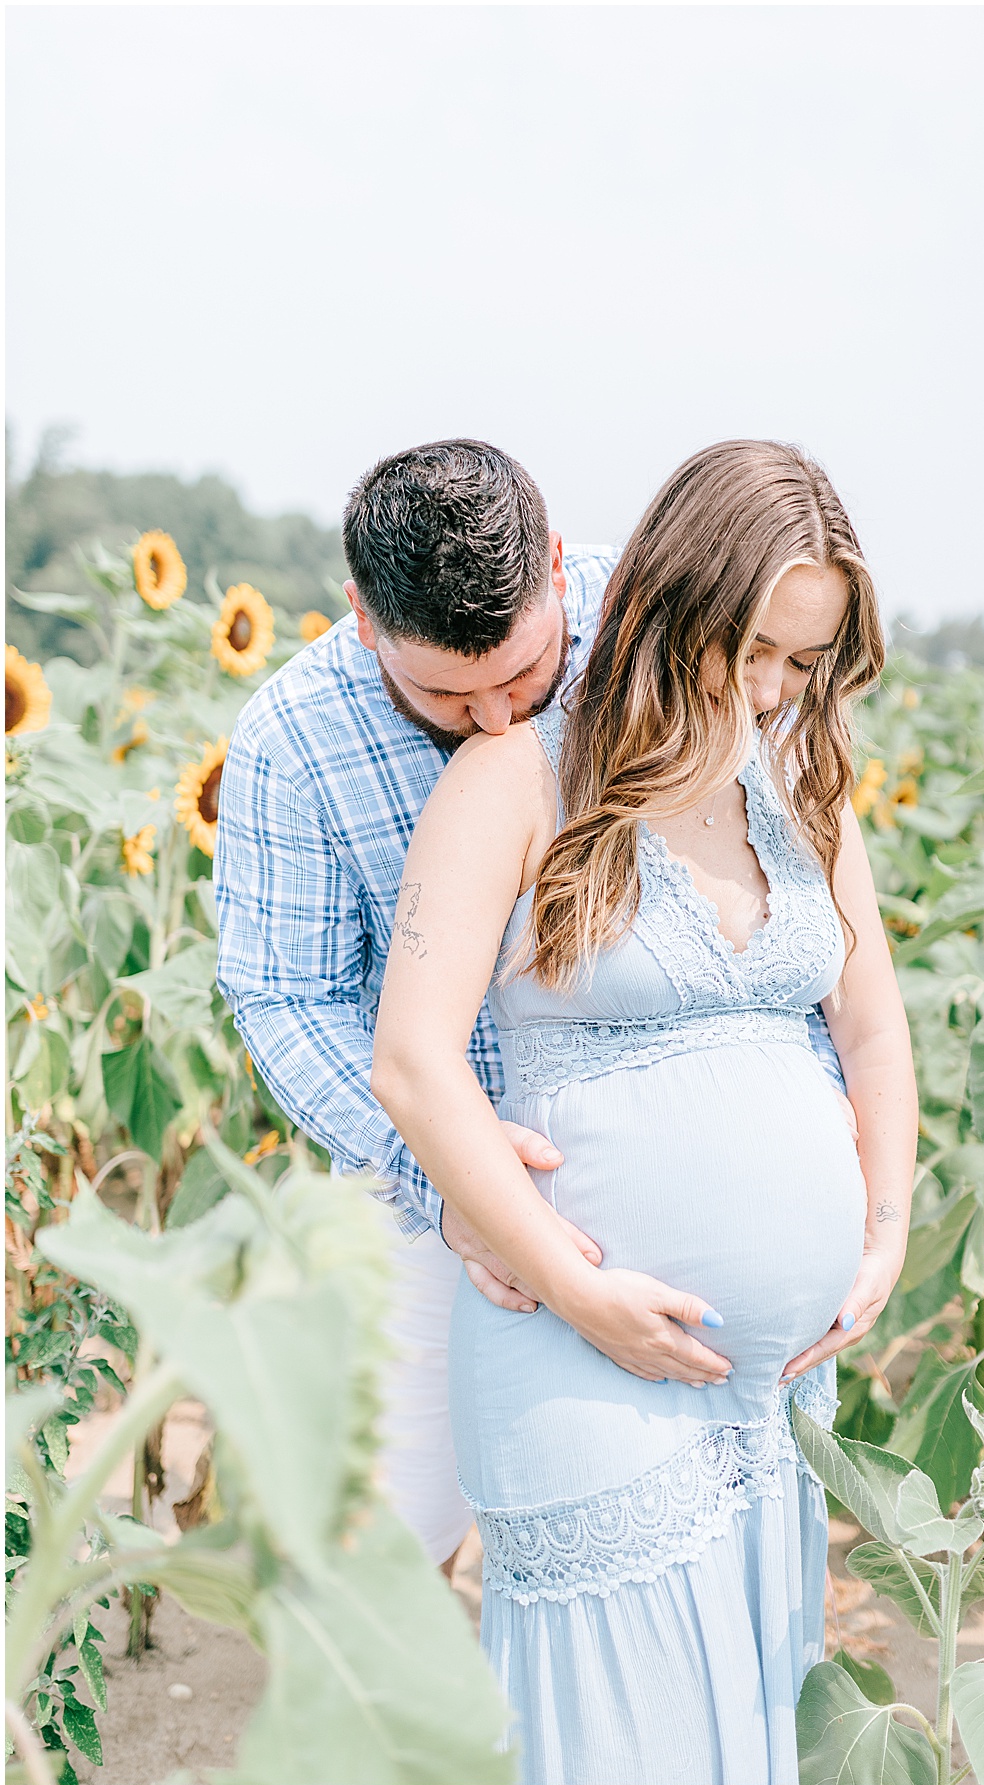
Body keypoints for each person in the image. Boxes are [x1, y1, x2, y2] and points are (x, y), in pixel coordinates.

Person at [372, 440, 918, 1785]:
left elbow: (873, 1023)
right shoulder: (517, 779)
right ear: (679, 597)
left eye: (811, 660)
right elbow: (413, 1063)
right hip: (581, 1355)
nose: (781, 688)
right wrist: (575, 1287)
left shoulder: (800, 794)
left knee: (739, 1725)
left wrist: (885, 1231)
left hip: (763, 1391)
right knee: (620, 1750)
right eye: (760, 647)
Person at [215, 439, 847, 1571]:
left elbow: (785, 866)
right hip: (437, 1209)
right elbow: (285, 999)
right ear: (365, 620)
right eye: (448, 693)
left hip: (679, 1194)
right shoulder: (291, 740)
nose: (500, 720)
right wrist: (447, 1184)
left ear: (560, 570)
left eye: (527, 671)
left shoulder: (666, 618)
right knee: (391, 1533)